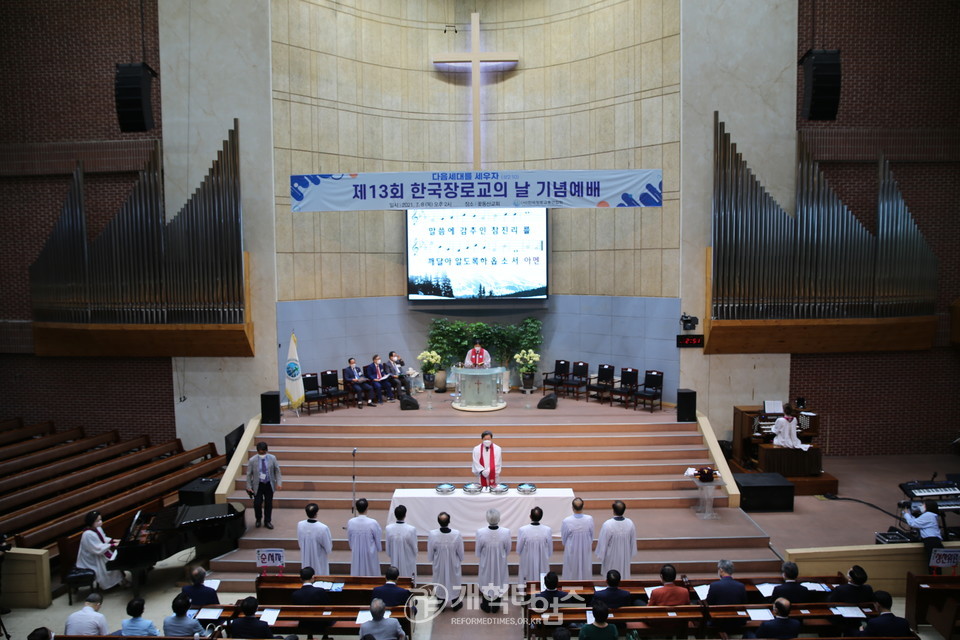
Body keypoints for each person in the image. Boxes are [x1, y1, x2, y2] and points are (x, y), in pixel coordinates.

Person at [76, 510, 125, 590]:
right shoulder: (87, 534)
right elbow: (96, 548)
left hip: (99, 551)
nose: (100, 522)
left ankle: (121, 580)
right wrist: (112, 545)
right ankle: (112, 584)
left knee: (114, 558)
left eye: (100, 519)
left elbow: (103, 539)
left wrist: (114, 540)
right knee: (110, 563)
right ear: (91, 522)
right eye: (97, 521)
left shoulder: (97, 528)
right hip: (91, 558)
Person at [476, 508, 511, 612]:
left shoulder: (481, 532)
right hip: (500, 561)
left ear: (487, 519)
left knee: (486, 580)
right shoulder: (505, 532)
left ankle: (486, 606)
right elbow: (508, 549)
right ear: (499, 518)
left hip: (486, 561)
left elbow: (478, 551)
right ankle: (496, 606)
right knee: (498, 580)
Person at [427, 511, 464, 610]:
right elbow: (460, 552)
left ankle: (441, 604)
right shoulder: (456, 534)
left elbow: (430, 552)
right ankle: (455, 603)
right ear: (449, 521)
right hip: (452, 562)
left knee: (440, 580)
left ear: (438, 521)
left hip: (439, 563)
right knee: (453, 580)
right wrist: (460, 559)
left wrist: (431, 559)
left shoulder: (433, 534)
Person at [595, 501, 637, 578]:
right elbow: (632, 542)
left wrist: (601, 554)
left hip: (611, 557)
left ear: (613, 510)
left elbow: (602, 542)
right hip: (624, 556)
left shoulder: (608, 524)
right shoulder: (630, 523)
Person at [707, 559, 748, 635]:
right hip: (736, 621)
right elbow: (743, 604)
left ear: (721, 570)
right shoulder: (741, 586)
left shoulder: (714, 585)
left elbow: (709, 603)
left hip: (718, 621)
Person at [246, 441, 282, 529]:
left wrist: (279, 482)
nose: (262, 453)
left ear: (266, 450)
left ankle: (267, 521)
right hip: (258, 484)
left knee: (268, 503)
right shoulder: (252, 460)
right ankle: (258, 519)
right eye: (260, 452)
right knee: (257, 503)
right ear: (257, 451)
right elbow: (249, 474)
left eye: (264, 452)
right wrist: (249, 487)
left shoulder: (272, 458)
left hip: (269, 483)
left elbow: (277, 471)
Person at [903, 500, 944, 574]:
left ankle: (935, 582)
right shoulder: (931, 515)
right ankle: (935, 580)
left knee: (933, 565)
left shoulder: (928, 515)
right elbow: (916, 521)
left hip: (931, 541)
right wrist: (909, 513)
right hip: (933, 541)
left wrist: (906, 514)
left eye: (923, 505)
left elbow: (913, 523)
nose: (921, 507)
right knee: (934, 564)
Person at [561, 497, 595, 580]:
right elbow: (592, 535)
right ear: (583, 507)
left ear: (572, 508)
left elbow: (564, 538)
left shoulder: (567, 521)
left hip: (572, 548)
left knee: (572, 568)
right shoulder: (589, 519)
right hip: (584, 547)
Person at [347, 498, 383, 576]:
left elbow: (350, 538)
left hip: (356, 550)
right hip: (369, 551)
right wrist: (379, 548)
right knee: (371, 571)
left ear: (356, 508)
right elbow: (377, 537)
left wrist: (353, 547)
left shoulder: (351, 522)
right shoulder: (373, 522)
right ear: (367, 508)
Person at [518, 506, 553, 583]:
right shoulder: (547, 530)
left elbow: (519, 549)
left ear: (530, 516)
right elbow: (550, 550)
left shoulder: (523, 530)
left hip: (528, 559)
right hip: (542, 559)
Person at [298, 502, 332, 576]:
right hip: (319, 559)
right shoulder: (323, 528)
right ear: (316, 513)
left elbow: (300, 542)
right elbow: (328, 547)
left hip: (306, 555)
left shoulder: (300, 525)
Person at [384, 504, 417, 579]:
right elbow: (414, 548)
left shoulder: (389, 529)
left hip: (395, 557)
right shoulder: (411, 529)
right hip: (408, 558)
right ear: (405, 515)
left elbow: (388, 549)